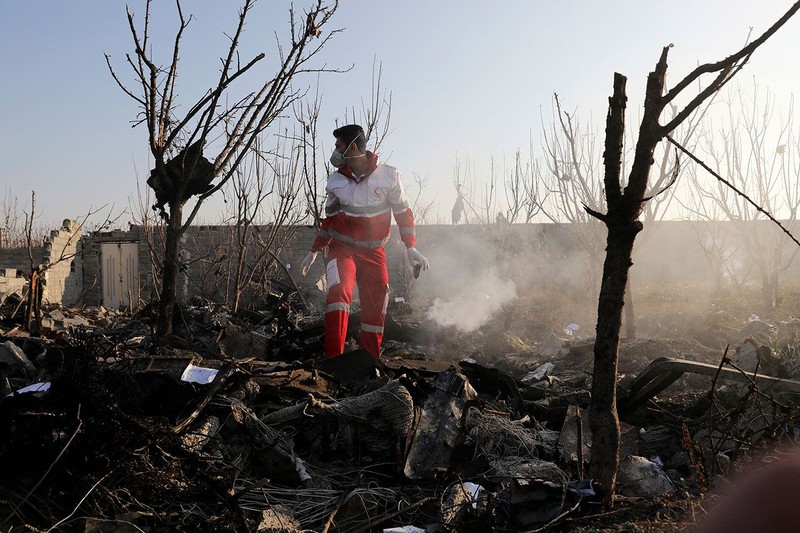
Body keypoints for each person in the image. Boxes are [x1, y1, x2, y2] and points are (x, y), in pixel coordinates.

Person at [300, 124, 429, 359]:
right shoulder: (335, 182)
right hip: (342, 248)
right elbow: (329, 220)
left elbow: (403, 212)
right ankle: (334, 362)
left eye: (339, 146)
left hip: (373, 251)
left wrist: (410, 246)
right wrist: (315, 250)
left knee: (378, 301)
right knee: (338, 294)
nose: (335, 151)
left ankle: (369, 361)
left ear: (354, 146)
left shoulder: (389, 175)